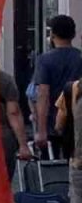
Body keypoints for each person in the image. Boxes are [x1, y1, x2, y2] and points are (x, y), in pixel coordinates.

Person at [32, 15, 82, 158]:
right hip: (77, 121)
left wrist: (41, 130)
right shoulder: (79, 57)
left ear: (52, 34)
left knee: (51, 165)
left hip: (52, 123)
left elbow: (43, 94)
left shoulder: (45, 60)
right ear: (73, 34)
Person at [0, 63, 31, 180]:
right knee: (2, 179)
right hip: (2, 137)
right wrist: (23, 145)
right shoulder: (4, 80)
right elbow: (13, 113)